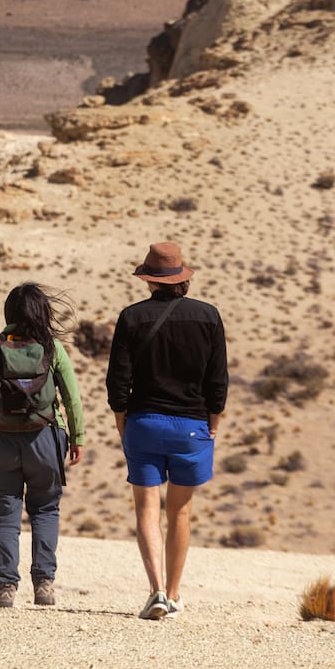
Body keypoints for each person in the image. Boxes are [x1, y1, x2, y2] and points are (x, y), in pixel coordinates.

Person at [106, 242, 228, 620]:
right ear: (182, 277)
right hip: (192, 426)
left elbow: (117, 379)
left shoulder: (131, 317)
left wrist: (121, 420)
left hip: (143, 423)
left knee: (147, 509)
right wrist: (214, 421)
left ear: (149, 280)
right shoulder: (208, 316)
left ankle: (156, 590)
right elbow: (218, 378)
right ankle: (174, 595)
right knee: (180, 512)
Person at [0, 282, 84, 607]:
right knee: (45, 509)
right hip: (45, 439)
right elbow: (72, 398)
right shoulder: (52, 348)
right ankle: (44, 585)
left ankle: (6, 587)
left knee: (5, 511)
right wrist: (77, 437)